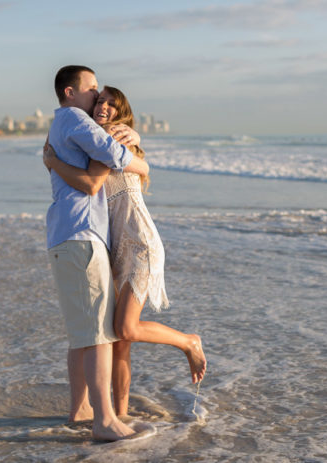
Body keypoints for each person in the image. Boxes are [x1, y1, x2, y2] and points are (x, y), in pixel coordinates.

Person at [43, 86, 207, 418]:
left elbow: (91, 182)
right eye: (100, 100)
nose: (103, 106)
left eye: (111, 104)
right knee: (119, 339)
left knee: (127, 329)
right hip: (115, 247)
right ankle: (120, 413)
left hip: (141, 243)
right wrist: (54, 159)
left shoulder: (115, 141)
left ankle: (189, 341)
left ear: (122, 112)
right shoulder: (91, 138)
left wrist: (52, 161)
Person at [45, 65, 150, 441]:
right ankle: (105, 420)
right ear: (71, 92)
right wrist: (144, 160)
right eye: (91, 89)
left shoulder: (60, 122)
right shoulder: (76, 118)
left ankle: (80, 410)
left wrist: (134, 135)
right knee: (101, 335)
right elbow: (111, 159)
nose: (95, 96)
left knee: (81, 335)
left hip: (63, 236)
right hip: (83, 237)